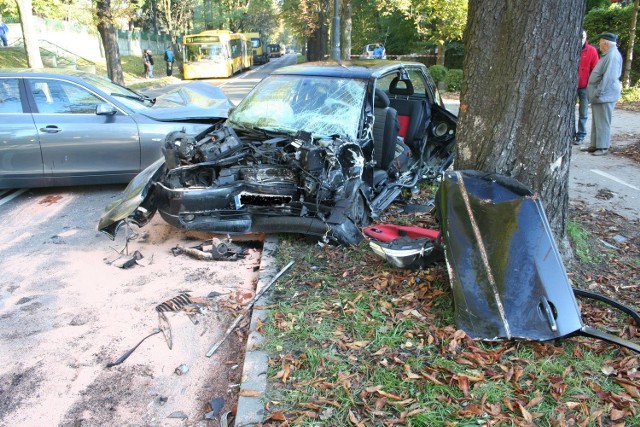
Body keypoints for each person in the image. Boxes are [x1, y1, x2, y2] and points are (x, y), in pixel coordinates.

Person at [582, 32, 623, 156]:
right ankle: (595, 145)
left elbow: (609, 78)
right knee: (597, 121)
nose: (599, 46)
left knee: (603, 122)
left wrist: (599, 92)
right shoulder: (608, 54)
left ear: (605, 43)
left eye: (600, 43)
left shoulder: (612, 56)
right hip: (600, 95)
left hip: (605, 95)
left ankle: (603, 147)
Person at [574, 30, 599, 145]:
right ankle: (571, 134)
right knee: (569, 112)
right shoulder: (570, 48)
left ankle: (581, 135)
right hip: (571, 87)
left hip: (584, 86)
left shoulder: (591, 51)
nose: (581, 39)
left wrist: (592, 85)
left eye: (583, 36)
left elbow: (596, 69)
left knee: (583, 112)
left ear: (586, 37)